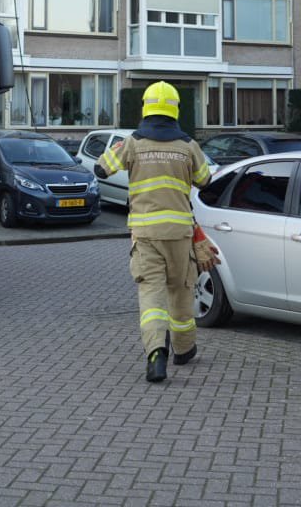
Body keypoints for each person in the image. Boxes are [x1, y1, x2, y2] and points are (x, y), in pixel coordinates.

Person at [95, 81, 212, 383]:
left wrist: (126, 149)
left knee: (151, 297)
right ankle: (184, 351)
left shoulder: (133, 142)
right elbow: (205, 180)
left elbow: (101, 169)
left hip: (146, 235)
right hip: (180, 234)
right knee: (181, 292)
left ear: (146, 107)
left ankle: (156, 355)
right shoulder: (188, 145)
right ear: (175, 109)